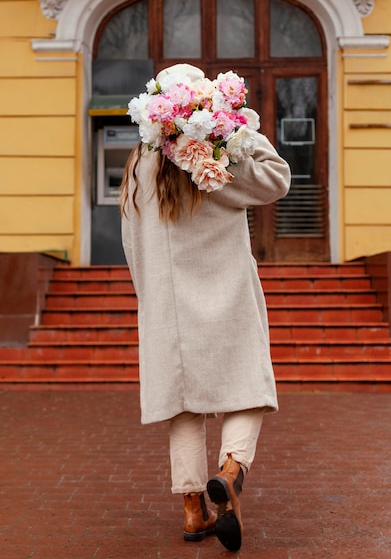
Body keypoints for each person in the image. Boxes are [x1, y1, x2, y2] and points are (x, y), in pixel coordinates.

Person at [121, 63, 291, 552]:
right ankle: (231, 470)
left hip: (168, 302)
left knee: (183, 405)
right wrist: (242, 125)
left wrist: (147, 294)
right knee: (247, 388)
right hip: (229, 289)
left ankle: (194, 512)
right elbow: (277, 180)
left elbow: (131, 235)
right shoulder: (222, 150)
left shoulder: (140, 160)